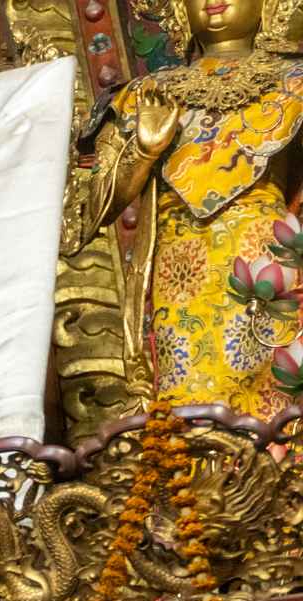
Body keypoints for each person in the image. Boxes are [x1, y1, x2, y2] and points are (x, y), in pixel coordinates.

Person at [83, 0, 303, 419]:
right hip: (180, 269)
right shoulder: (147, 94)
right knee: (190, 402)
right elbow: (94, 208)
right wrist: (144, 151)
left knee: (270, 400)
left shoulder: (293, 83)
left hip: (267, 261)